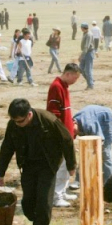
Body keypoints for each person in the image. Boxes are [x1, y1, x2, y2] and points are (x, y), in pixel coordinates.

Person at [0, 98, 76, 225]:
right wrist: (0, 173)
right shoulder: (14, 125)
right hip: (28, 165)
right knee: (28, 202)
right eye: (14, 121)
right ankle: (37, 219)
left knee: (44, 200)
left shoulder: (48, 120)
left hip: (48, 165)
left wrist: (71, 165)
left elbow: (67, 140)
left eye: (20, 121)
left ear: (29, 115)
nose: (17, 124)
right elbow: (7, 148)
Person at [47, 64, 81, 206]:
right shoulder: (56, 87)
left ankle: (63, 191)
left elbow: (65, 111)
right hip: (60, 136)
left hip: (67, 135)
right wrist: (61, 133)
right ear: (67, 73)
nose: (75, 81)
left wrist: (72, 122)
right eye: (75, 77)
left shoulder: (65, 87)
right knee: (61, 166)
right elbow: (53, 114)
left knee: (68, 163)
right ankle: (56, 196)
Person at [74, 104, 112, 187]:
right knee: (85, 155)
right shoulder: (73, 121)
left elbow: (100, 139)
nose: (76, 134)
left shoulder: (89, 124)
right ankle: (79, 181)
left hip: (106, 118)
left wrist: (96, 150)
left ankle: (108, 183)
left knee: (106, 155)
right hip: (93, 118)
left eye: (75, 132)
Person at [79, 23, 96, 89]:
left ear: (84, 28)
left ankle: (90, 85)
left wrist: (81, 55)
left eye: (81, 28)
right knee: (80, 68)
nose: (81, 29)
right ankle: (90, 81)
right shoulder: (85, 33)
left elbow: (86, 46)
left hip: (88, 53)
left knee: (88, 70)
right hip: (85, 52)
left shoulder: (89, 34)